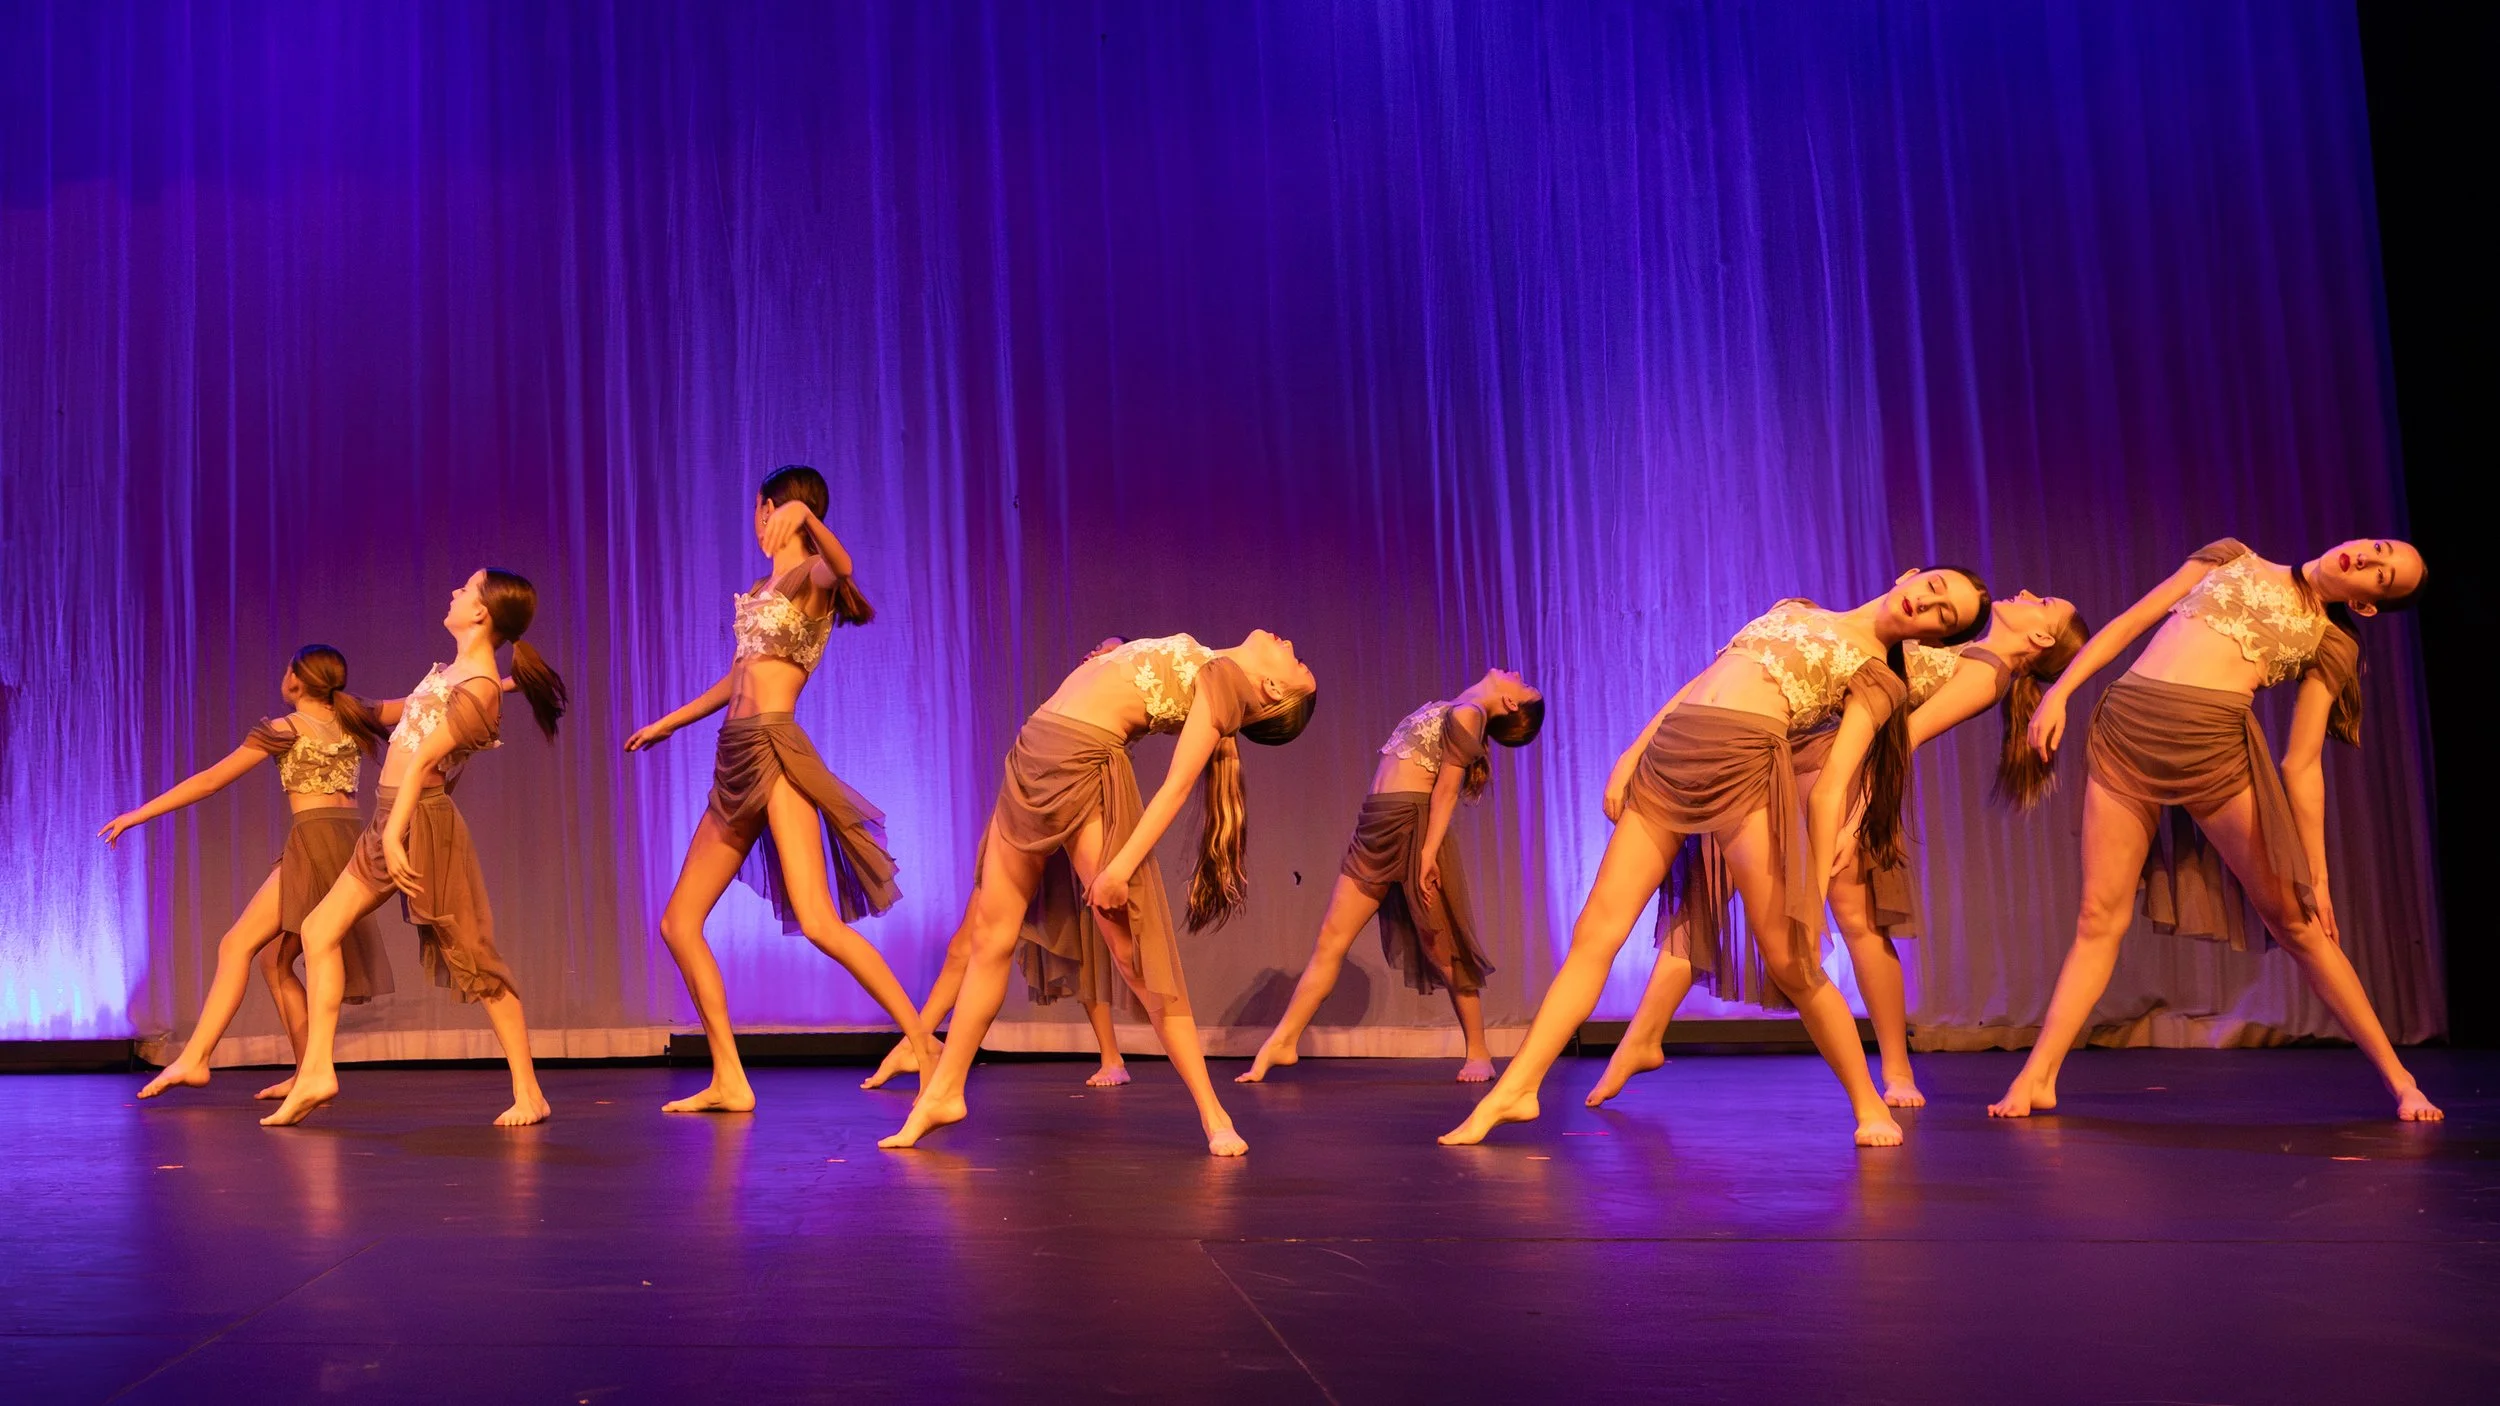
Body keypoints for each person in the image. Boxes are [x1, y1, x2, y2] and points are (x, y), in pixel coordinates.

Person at [1990, 538, 2439, 1121]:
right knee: (2098, 918)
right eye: (2378, 549)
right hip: (2127, 731)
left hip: (2214, 752)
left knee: (2299, 924)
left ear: (2367, 605)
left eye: (2382, 576)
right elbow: (2134, 620)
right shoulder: (2231, 556)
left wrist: (2318, 875)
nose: (2369, 561)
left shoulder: (2331, 642)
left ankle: (2402, 1080)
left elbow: (2301, 766)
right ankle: (2038, 1076)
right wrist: (2061, 691)